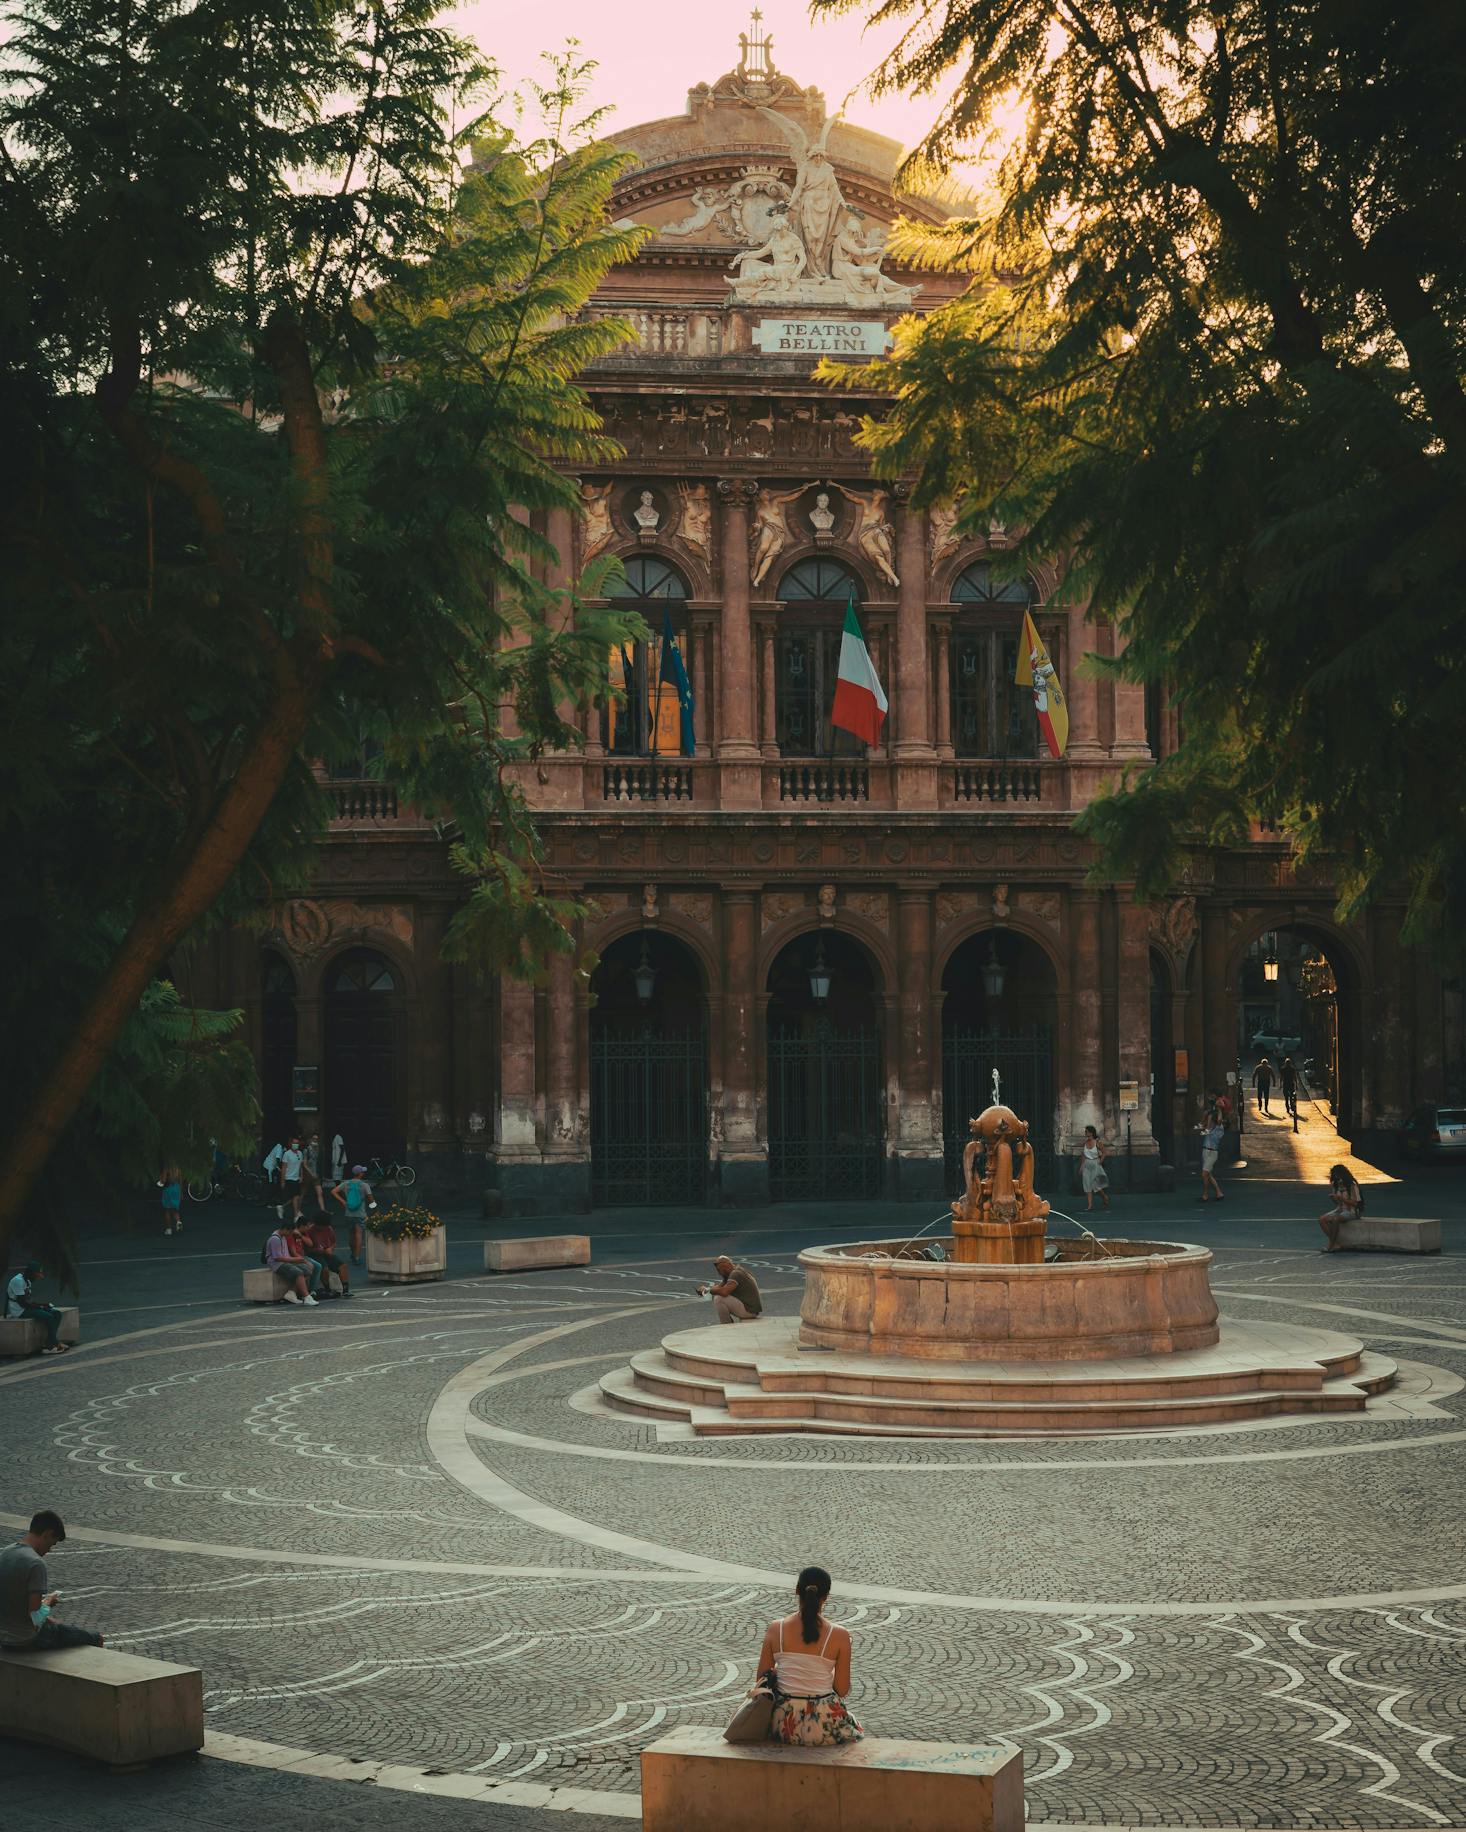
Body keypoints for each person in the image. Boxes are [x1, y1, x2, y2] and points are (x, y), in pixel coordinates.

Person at [754, 1567, 862, 1747]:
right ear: (825, 1597)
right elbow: (842, 1689)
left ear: (797, 1591)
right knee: (855, 1728)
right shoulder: (839, 1635)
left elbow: (761, 1679)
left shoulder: (776, 1628)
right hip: (823, 1721)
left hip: (783, 1721)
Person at [0, 1511, 103, 1650]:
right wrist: (48, 1602)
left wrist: (46, 1617)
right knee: (96, 1638)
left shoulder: (5, 1553)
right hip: (27, 1639)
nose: (50, 1550)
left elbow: (16, 1601)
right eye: (52, 1544)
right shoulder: (35, 1563)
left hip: (4, 1637)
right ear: (47, 1534)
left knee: (53, 1623)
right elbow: (34, 1615)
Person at [3, 1262, 70, 1354]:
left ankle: (50, 1342)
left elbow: (29, 1300)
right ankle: (50, 1346)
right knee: (49, 1317)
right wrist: (41, 1307)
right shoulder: (17, 1281)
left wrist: (44, 1305)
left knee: (56, 1313)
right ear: (30, 1273)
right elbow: (22, 1303)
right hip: (19, 1311)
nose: (38, 1278)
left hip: (27, 1307)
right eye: (37, 1275)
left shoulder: (27, 1281)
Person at [264, 1221, 319, 1306]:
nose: (290, 1235)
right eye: (290, 1232)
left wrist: (297, 1260)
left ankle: (291, 1292)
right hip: (277, 1264)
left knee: (307, 1270)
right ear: (285, 1229)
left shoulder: (283, 1236)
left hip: (285, 1260)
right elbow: (277, 1257)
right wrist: (295, 1259)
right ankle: (307, 1297)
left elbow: (285, 1255)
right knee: (298, 1272)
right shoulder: (275, 1239)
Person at [696, 1256, 762, 1324]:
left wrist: (708, 1290)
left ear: (725, 1266)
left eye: (719, 1270)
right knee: (717, 1295)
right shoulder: (735, 1272)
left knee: (719, 1298)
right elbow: (719, 1287)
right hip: (751, 1310)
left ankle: (726, 1324)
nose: (719, 1273)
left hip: (749, 1312)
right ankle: (727, 1322)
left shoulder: (735, 1274)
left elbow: (724, 1292)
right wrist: (706, 1290)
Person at [331, 1166, 376, 1266]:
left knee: (351, 1234)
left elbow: (333, 1191)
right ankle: (357, 1257)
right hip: (360, 1214)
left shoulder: (346, 1184)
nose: (363, 1173)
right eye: (362, 1172)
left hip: (348, 1213)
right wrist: (374, 1208)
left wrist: (343, 1201)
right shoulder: (364, 1185)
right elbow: (371, 1200)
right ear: (360, 1174)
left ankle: (352, 1253)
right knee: (358, 1235)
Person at [299, 1215, 351, 1299]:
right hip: (314, 1254)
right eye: (322, 1226)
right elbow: (307, 1249)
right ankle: (327, 1289)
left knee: (343, 1266)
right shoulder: (310, 1231)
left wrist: (330, 1248)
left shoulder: (329, 1228)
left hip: (326, 1252)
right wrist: (317, 1250)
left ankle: (346, 1290)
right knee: (325, 1269)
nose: (324, 1228)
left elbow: (334, 1243)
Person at [1318, 1164, 1363, 1250]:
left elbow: (1355, 1203)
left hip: (1352, 1211)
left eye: (1338, 1176)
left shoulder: (1352, 1185)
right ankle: (1335, 1242)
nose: (1337, 1179)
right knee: (1322, 1219)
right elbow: (1338, 1203)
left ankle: (1331, 1244)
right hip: (1340, 1209)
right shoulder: (1336, 1185)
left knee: (1335, 1219)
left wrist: (1341, 1198)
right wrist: (1334, 1198)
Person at [1080, 1126, 1111, 1212]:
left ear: (1091, 1133)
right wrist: (1082, 1166)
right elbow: (1083, 1155)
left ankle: (1104, 1197)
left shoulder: (1098, 1142)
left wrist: (1100, 1162)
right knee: (1087, 1184)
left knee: (1096, 1184)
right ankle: (1090, 1205)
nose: (1085, 1133)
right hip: (1087, 1164)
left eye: (1086, 1131)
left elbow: (1104, 1152)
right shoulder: (1085, 1143)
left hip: (1095, 1163)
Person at [1197, 1115, 1224, 1203]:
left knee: (1204, 1173)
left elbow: (1219, 1119)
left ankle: (1205, 1194)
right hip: (1205, 1150)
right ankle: (1219, 1192)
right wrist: (1205, 1117)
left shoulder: (1219, 1129)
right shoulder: (1209, 1128)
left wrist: (1218, 1109)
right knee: (1208, 1174)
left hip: (1212, 1152)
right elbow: (1199, 1128)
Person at [279, 1135, 306, 1220]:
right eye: (294, 1143)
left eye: (297, 1143)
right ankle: (295, 1214)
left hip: (296, 1178)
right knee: (295, 1197)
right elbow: (283, 1168)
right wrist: (282, 1180)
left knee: (296, 1197)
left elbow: (301, 1166)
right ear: (291, 1144)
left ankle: (285, 1208)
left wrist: (301, 1175)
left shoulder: (300, 1153)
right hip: (289, 1178)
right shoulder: (287, 1154)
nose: (295, 1144)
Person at [158, 1164, 183, 1236]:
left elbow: (163, 1181)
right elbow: (180, 1181)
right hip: (177, 1189)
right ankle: (178, 1221)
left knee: (167, 1210)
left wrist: (160, 1181)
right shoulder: (178, 1169)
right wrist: (181, 1192)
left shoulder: (166, 1168)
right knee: (175, 1209)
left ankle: (169, 1229)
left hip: (168, 1189)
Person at [263, 1138, 285, 1216]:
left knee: (275, 1183)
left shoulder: (282, 1148)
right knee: (271, 1184)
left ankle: (273, 1199)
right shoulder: (279, 1146)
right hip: (269, 1167)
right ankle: (269, 1202)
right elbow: (278, 1158)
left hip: (273, 1167)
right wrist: (280, 1168)